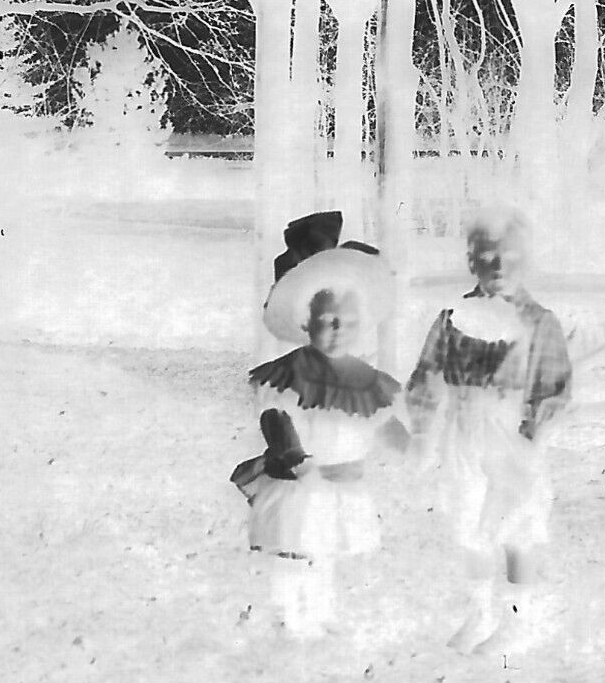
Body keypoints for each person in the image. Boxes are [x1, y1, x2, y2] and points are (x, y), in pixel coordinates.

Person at [406, 206, 572, 656]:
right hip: (463, 430)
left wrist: (531, 436)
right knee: (467, 521)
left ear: (527, 260)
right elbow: (426, 375)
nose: (499, 266)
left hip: (510, 431)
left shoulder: (539, 323)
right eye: (487, 255)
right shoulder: (452, 317)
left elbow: (553, 388)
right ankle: (480, 612)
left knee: (517, 524)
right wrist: (422, 431)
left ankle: (520, 620)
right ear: (471, 260)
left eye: (511, 256)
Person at [231, 244, 406, 638]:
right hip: (302, 478)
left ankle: (321, 610)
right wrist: (295, 456)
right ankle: (289, 613)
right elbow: (275, 416)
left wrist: (411, 445)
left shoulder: (364, 378)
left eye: (347, 321)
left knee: (324, 549)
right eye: (326, 320)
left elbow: (380, 421)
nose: (337, 329)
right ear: (306, 322)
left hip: (341, 483)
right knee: (293, 550)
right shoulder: (290, 373)